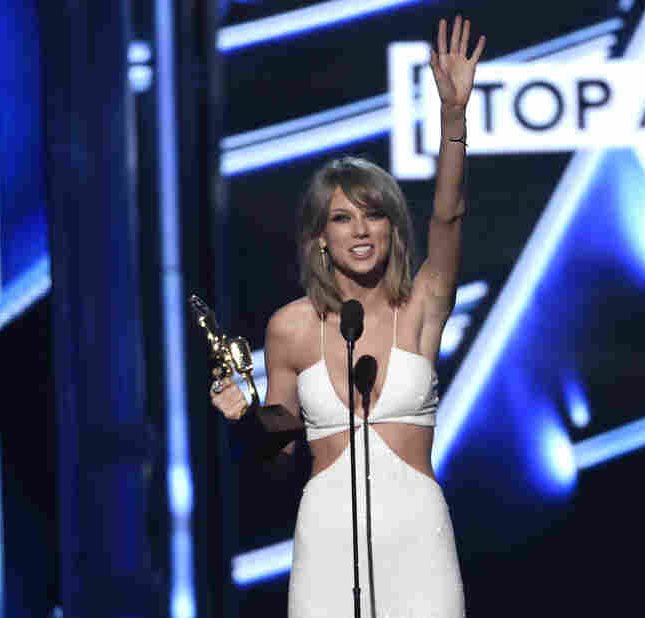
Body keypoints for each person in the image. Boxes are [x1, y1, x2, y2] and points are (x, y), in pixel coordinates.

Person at [210, 15, 485, 617]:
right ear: (320, 239)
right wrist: (244, 415)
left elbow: (450, 218)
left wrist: (454, 119)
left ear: (392, 227)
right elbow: (279, 449)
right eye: (343, 218)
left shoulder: (422, 305)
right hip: (329, 542)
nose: (361, 231)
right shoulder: (290, 328)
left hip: (417, 541)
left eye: (375, 215)